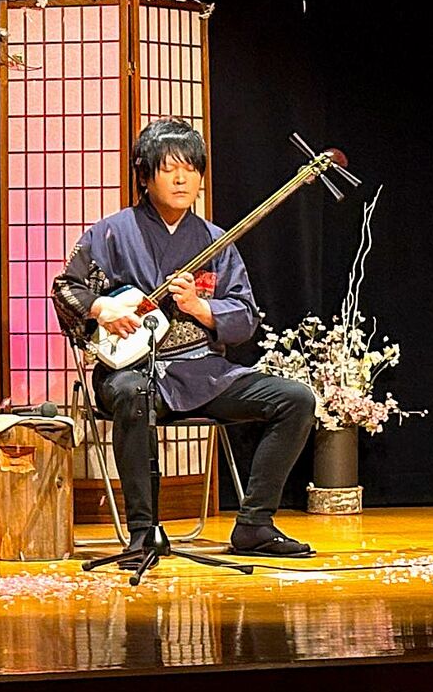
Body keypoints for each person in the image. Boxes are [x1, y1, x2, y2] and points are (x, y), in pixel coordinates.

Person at [51, 118, 315, 558]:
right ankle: (143, 532)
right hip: (132, 371)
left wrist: (199, 307)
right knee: (133, 393)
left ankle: (254, 523)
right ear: (144, 175)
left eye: (190, 169)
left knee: (296, 399)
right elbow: (66, 288)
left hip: (204, 373)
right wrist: (102, 309)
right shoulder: (111, 233)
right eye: (169, 168)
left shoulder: (216, 241)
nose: (181, 179)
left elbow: (245, 315)